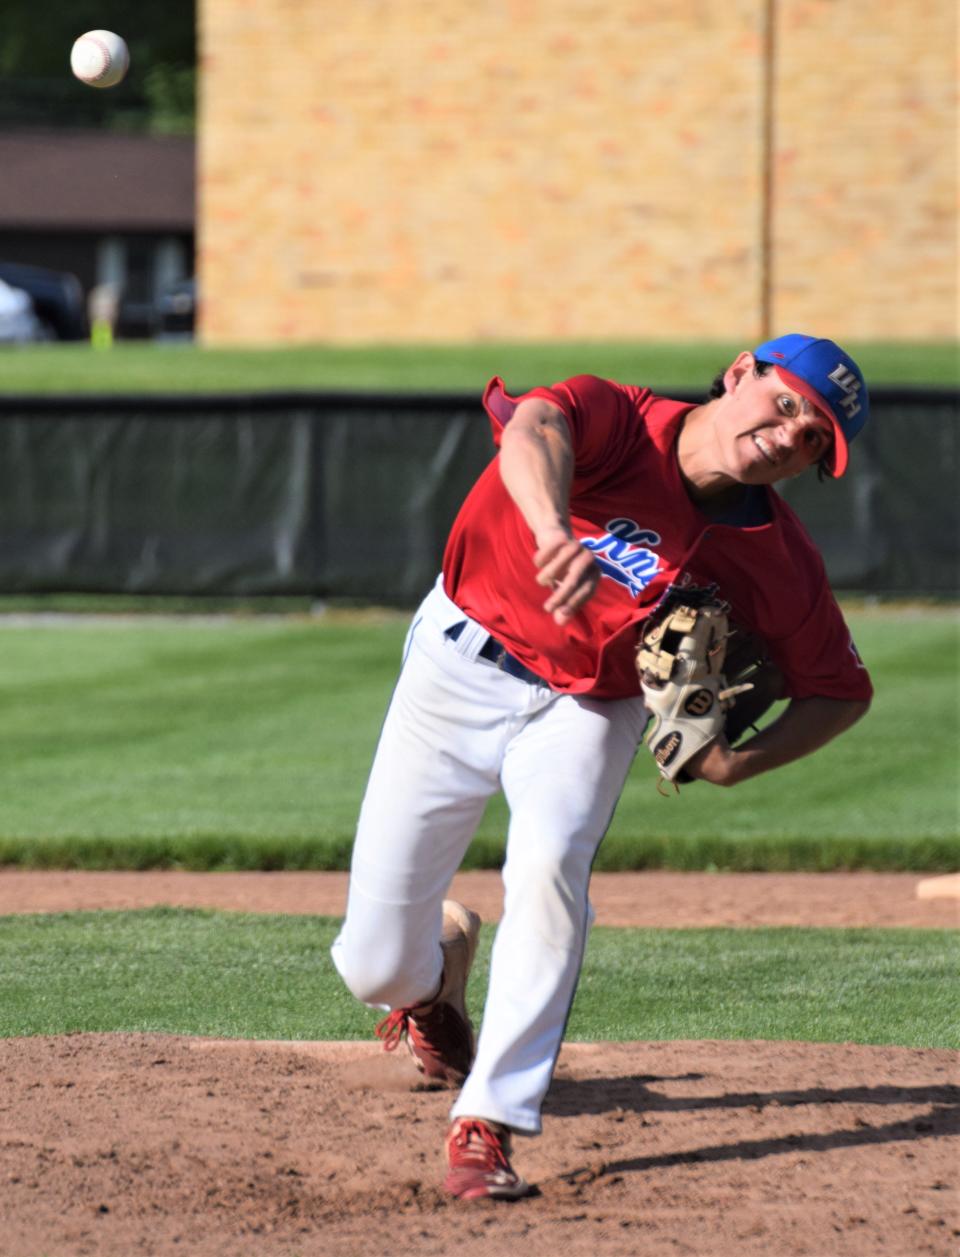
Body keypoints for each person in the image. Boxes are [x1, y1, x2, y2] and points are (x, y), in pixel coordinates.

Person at [331, 332, 873, 1200]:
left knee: (551, 868)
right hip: (460, 660)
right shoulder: (625, 417)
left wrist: (738, 764)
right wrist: (553, 527)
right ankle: (431, 985)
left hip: (590, 707)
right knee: (371, 966)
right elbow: (535, 425)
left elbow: (842, 690)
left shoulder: (779, 560)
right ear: (740, 373)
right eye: (785, 403)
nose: (789, 434)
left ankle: (488, 1119)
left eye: (814, 437)